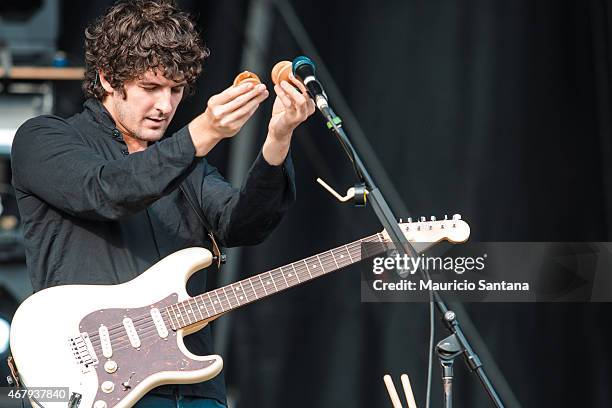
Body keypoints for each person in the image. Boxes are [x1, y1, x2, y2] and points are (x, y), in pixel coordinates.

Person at [10, 0, 315, 407]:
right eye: (150, 88)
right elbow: (106, 192)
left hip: (192, 389)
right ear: (107, 79)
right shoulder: (44, 138)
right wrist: (202, 131)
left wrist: (278, 139)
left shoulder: (187, 165)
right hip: (92, 384)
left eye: (175, 90)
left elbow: (244, 225)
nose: (165, 106)